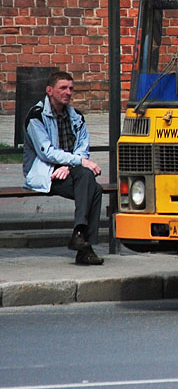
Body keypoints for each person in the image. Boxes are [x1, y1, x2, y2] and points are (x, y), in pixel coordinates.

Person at [22, 71, 105, 265]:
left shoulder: (76, 117)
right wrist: (76, 162)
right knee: (95, 189)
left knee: (88, 181)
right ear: (49, 90)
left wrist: (69, 165)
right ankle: (85, 248)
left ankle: (79, 236)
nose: (68, 92)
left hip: (70, 171)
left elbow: (83, 148)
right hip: (45, 172)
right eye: (63, 88)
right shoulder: (36, 117)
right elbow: (46, 152)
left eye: (70, 88)